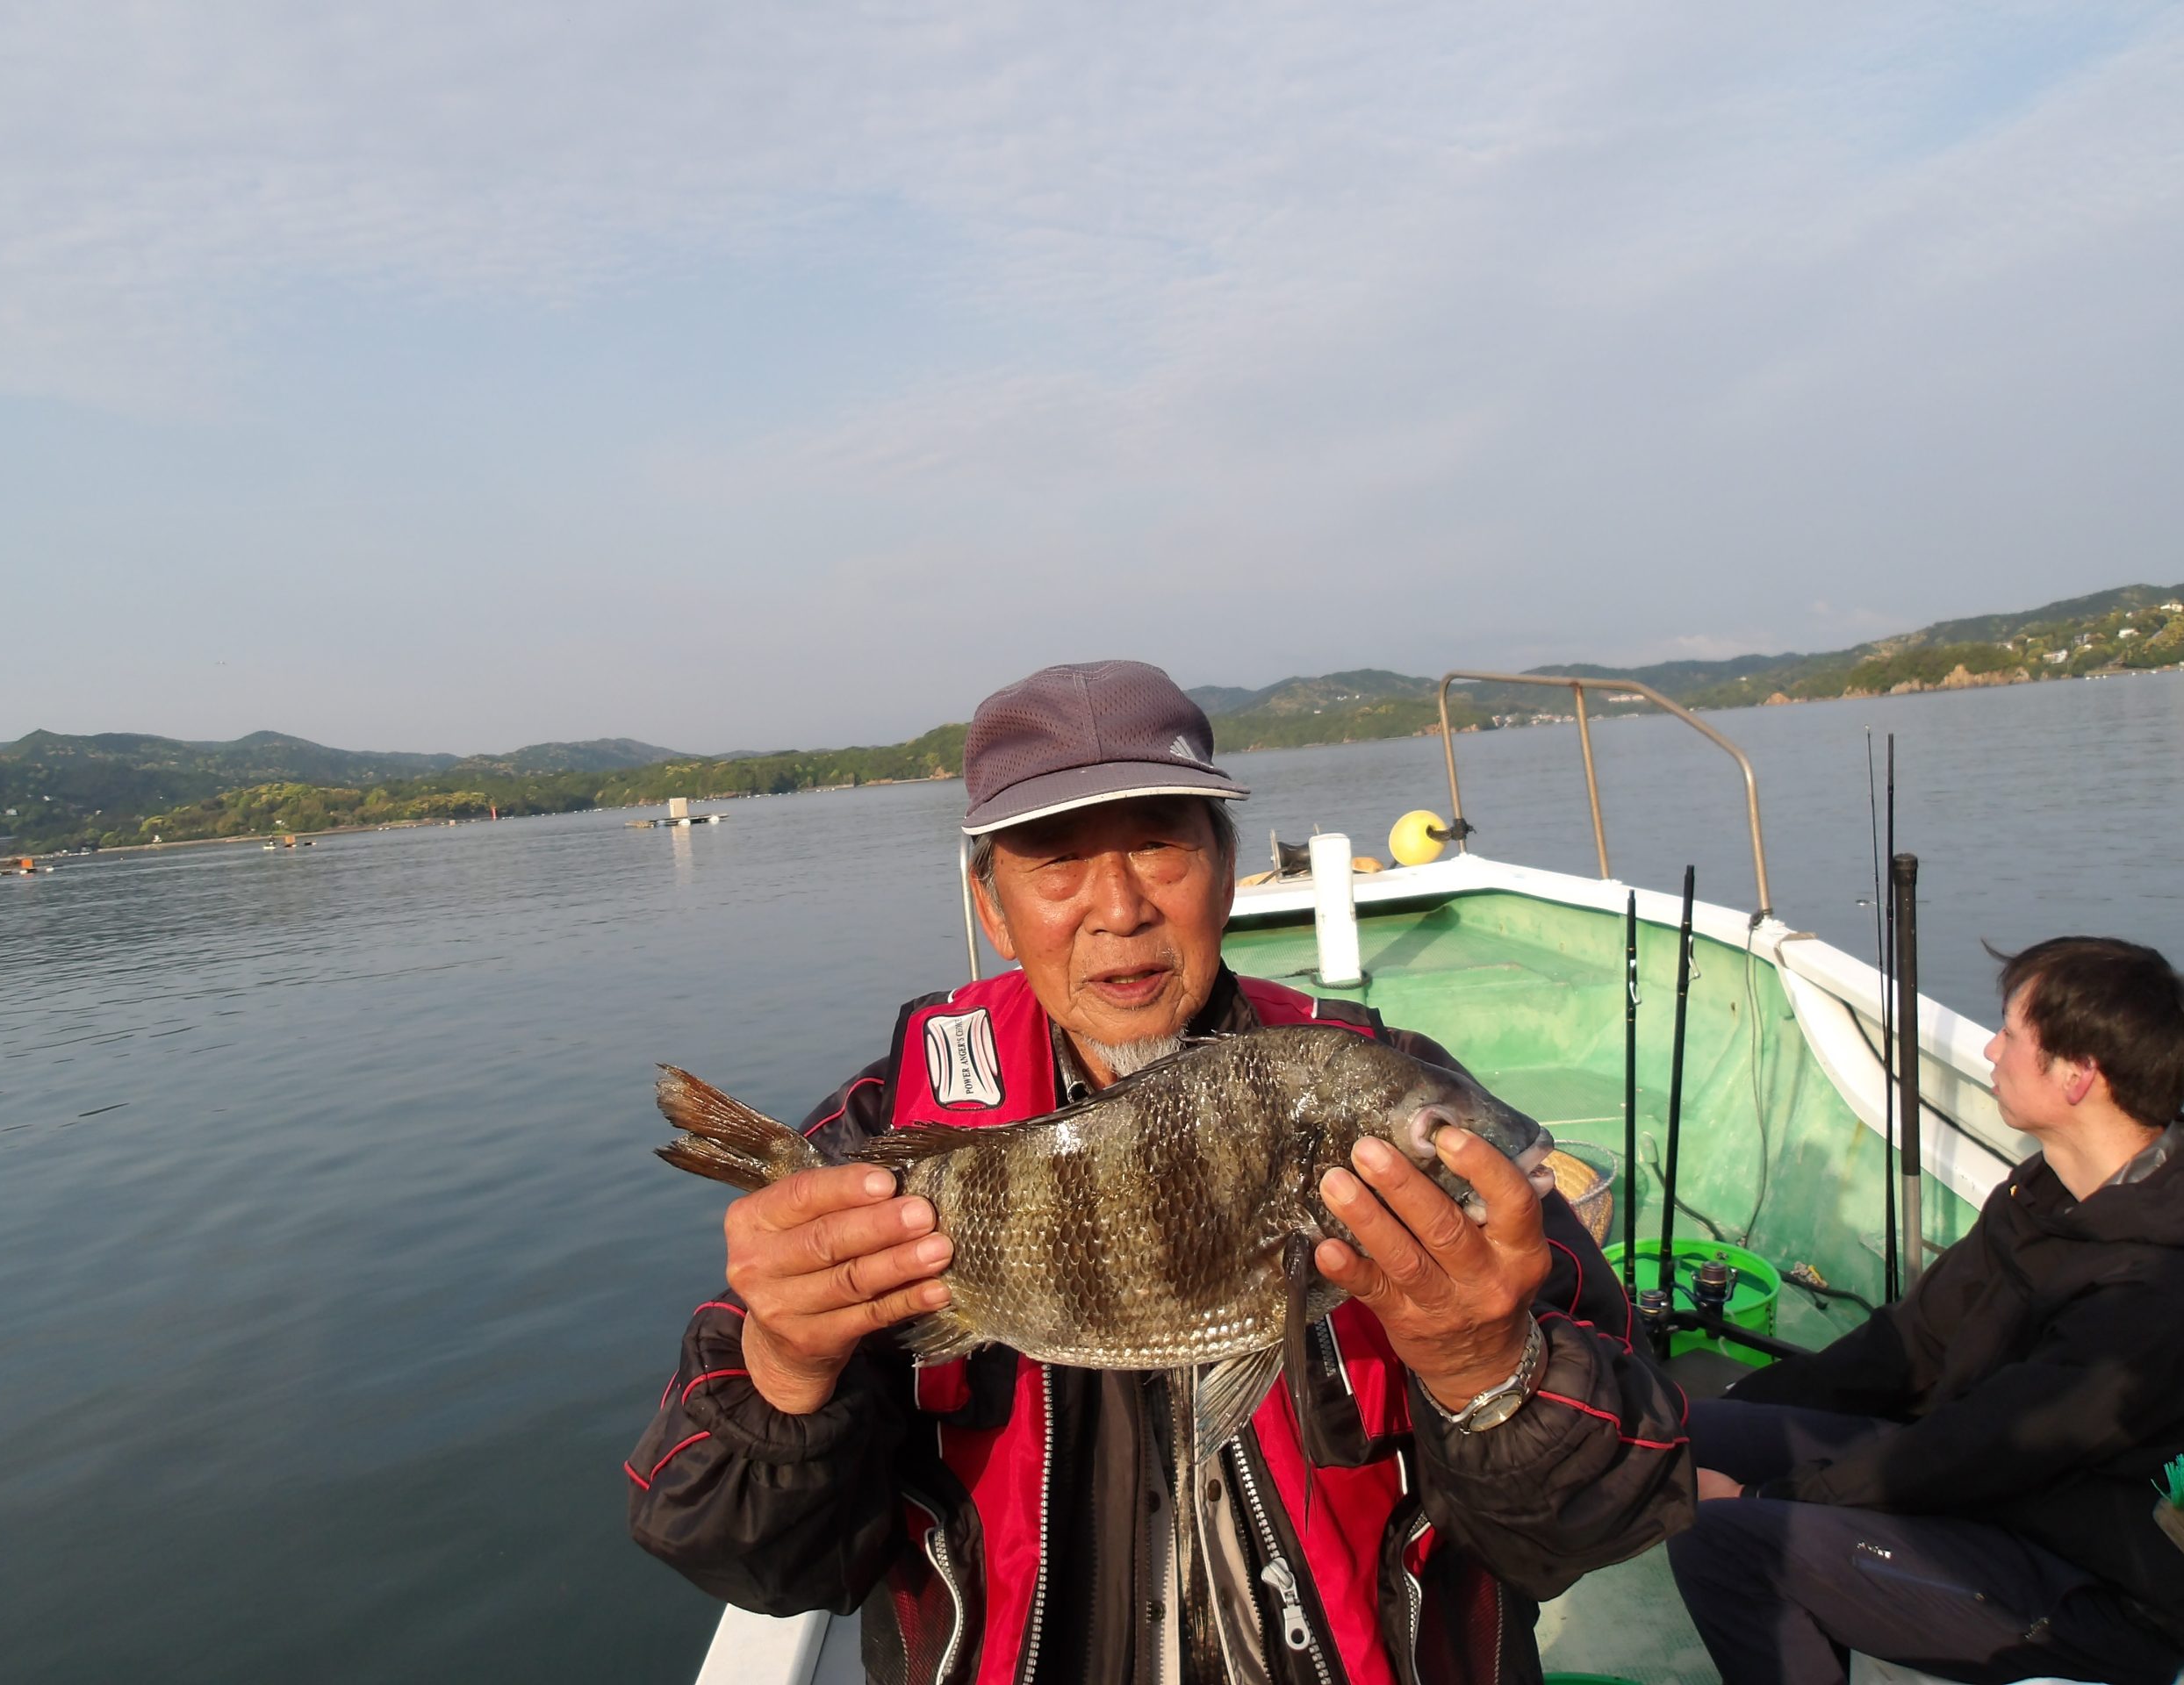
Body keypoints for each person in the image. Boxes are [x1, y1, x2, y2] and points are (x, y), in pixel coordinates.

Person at [629, 660, 1692, 1685]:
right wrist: (785, 1373)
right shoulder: (878, 1133)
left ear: (1224, 869)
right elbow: (753, 1562)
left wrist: (1486, 1368)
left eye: (1158, 846)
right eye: (1055, 861)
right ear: (991, 906)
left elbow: (1607, 1517)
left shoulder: (1395, 1093)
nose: (1119, 907)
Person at [1668, 936, 2184, 1685]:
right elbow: (1909, 1344)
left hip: (2103, 1591)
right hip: (2002, 1492)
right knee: (1682, 1434)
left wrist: (1763, 1496)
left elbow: (1977, 1452)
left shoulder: (2153, 1294)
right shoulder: (2047, 1191)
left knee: (1726, 1541)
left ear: (2077, 1075)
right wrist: (1733, 1411)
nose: (1989, 1050)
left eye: (2010, 1034)